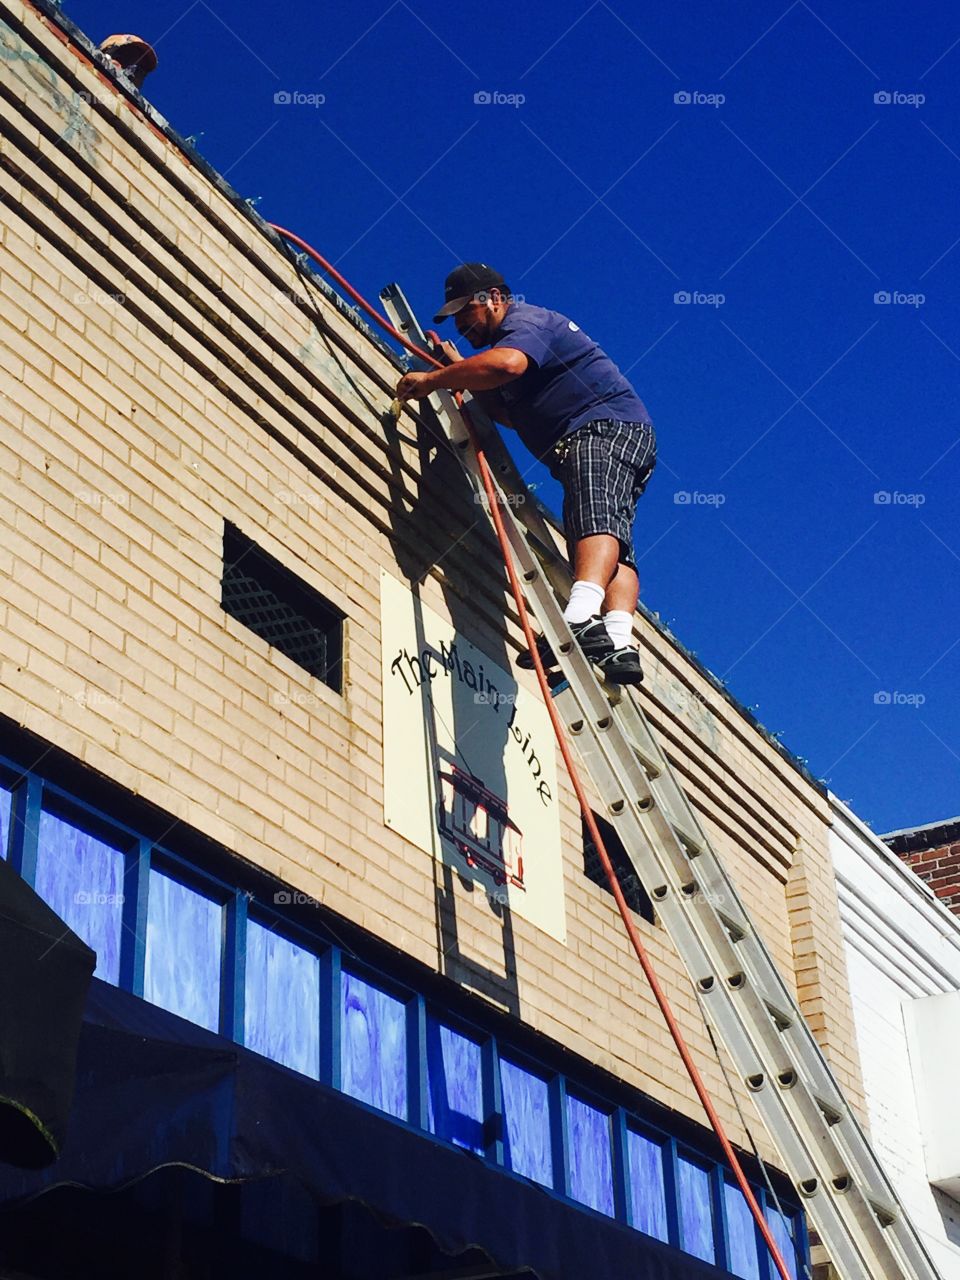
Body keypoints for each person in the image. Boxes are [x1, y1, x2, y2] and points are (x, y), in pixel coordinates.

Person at [395, 263, 656, 685]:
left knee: (594, 517)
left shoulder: (526, 321)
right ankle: (619, 644)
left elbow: (508, 364)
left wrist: (434, 379)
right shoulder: (510, 347)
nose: (462, 324)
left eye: (466, 312)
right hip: (618, 436)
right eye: (455, 318)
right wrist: (460, 371)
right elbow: (505, 412)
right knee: (613, 539)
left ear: (495, 299)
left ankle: (580, 616)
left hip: (602, 428)